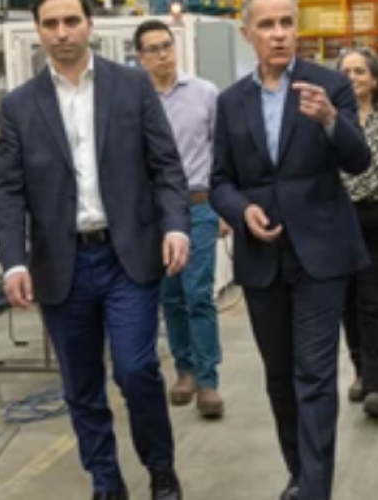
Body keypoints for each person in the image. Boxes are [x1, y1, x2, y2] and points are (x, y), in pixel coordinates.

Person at [0, 1, 190, 499]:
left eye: (71, 21)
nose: (62, 32)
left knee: (136, 369)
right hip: (62, 266)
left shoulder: (132, 86)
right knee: (81, 387)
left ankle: (160, 468)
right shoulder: (20, 105)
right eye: (51, 23)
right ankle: (106, 482)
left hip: (127, 257)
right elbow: (8, 190)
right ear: (38, 30)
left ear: (89, 25)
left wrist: (176, 226)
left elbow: (166, 165)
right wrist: (13, 261)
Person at [209, 0, 371, 497]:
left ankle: (315, 490)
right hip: (263, 258)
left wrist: (330, 120)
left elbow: (358, 160)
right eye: (267, 25)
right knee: (279, 378)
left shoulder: (329, 86)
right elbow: (219, 181)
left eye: (286, 23)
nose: (279, 34)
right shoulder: (231, 101)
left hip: (321, 254)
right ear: (247, 34)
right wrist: (242, 211)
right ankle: (300, 475)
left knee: (314, 376)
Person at [134, 19, 227, 420]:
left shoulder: (205, 93)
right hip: (155, 211)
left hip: (199, 204)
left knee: (198, 293)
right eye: (153, 49)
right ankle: (185, 370)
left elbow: (221, 152)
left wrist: (223, 206)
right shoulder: (136, 99)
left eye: (166, 46)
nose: (162, 55)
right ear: (140, 57)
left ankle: (208, 380)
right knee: (170, 294)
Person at [336, 47, 378, 418]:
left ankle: (377, 385)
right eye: (345, 72)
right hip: (341, 225)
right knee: (348, 305)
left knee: (375, 305)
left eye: (359, 71)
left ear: (375, 79)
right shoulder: (330, 119)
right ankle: (361, 371)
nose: (352, 78)